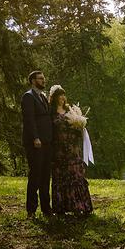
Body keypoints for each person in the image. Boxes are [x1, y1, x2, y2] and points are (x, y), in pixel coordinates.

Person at [48, 85, 93, 215]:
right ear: (54, 97)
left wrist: (80, 125)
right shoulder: (51, 112)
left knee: (75, 176)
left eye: (63, 94)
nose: (62, 97)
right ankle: (61, 207)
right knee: (61, 177)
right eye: (59, 95)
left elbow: (77, 128)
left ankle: (79, 206)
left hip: (72, 148)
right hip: (58, 149)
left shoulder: (70, 110)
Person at [20, 69, 53, 217]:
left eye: (43, 78)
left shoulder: (43, 97)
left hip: (47, 142)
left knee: (46, 175)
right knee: (35, 175)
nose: (43, 81)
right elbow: (29, 120)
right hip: (35, 143)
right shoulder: (28, 97)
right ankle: (31, 210)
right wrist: (35, 138)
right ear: (33, 81)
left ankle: (46, 209)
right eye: (40, 79)